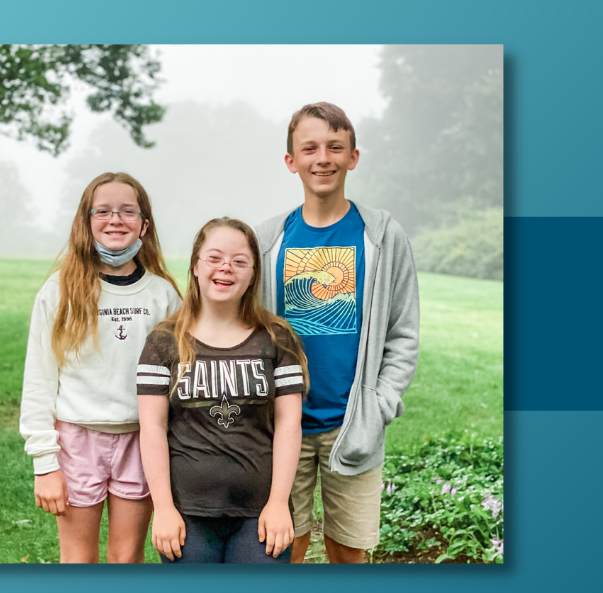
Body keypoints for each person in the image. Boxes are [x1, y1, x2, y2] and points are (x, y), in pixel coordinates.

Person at [255, 102, 420, 563]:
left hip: (353, 426)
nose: (321, 158)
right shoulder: (269, 240)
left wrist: (380, 403)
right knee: (280, 549)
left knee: (350, 554)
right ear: (291, 161)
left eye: (335, 147)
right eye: (309, 148)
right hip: (280, 426)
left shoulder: (382, 237)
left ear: (353, 156)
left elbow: (403, 334)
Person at [19, 172, 182, 563]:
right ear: (86, 220)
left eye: (128, 211)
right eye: (103, 211)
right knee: (78, 559)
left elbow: (179, 380)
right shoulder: (61, 290)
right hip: (77, 440)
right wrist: (44, 463)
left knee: (127, 558)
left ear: (144, 224)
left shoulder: (163, 294)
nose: (115, 220)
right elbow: (39, 378)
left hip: (141, 441)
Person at [137, 218, 307, 564]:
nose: (225, 268)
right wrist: (164, 509)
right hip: (187, 514)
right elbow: (152, 428)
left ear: (253, 272)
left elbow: (289, 425)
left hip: (260, 513)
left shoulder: (276, 338)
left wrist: (277, 504)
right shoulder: (163, 341)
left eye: (239, 261)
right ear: (196, 266)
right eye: (214, 258)